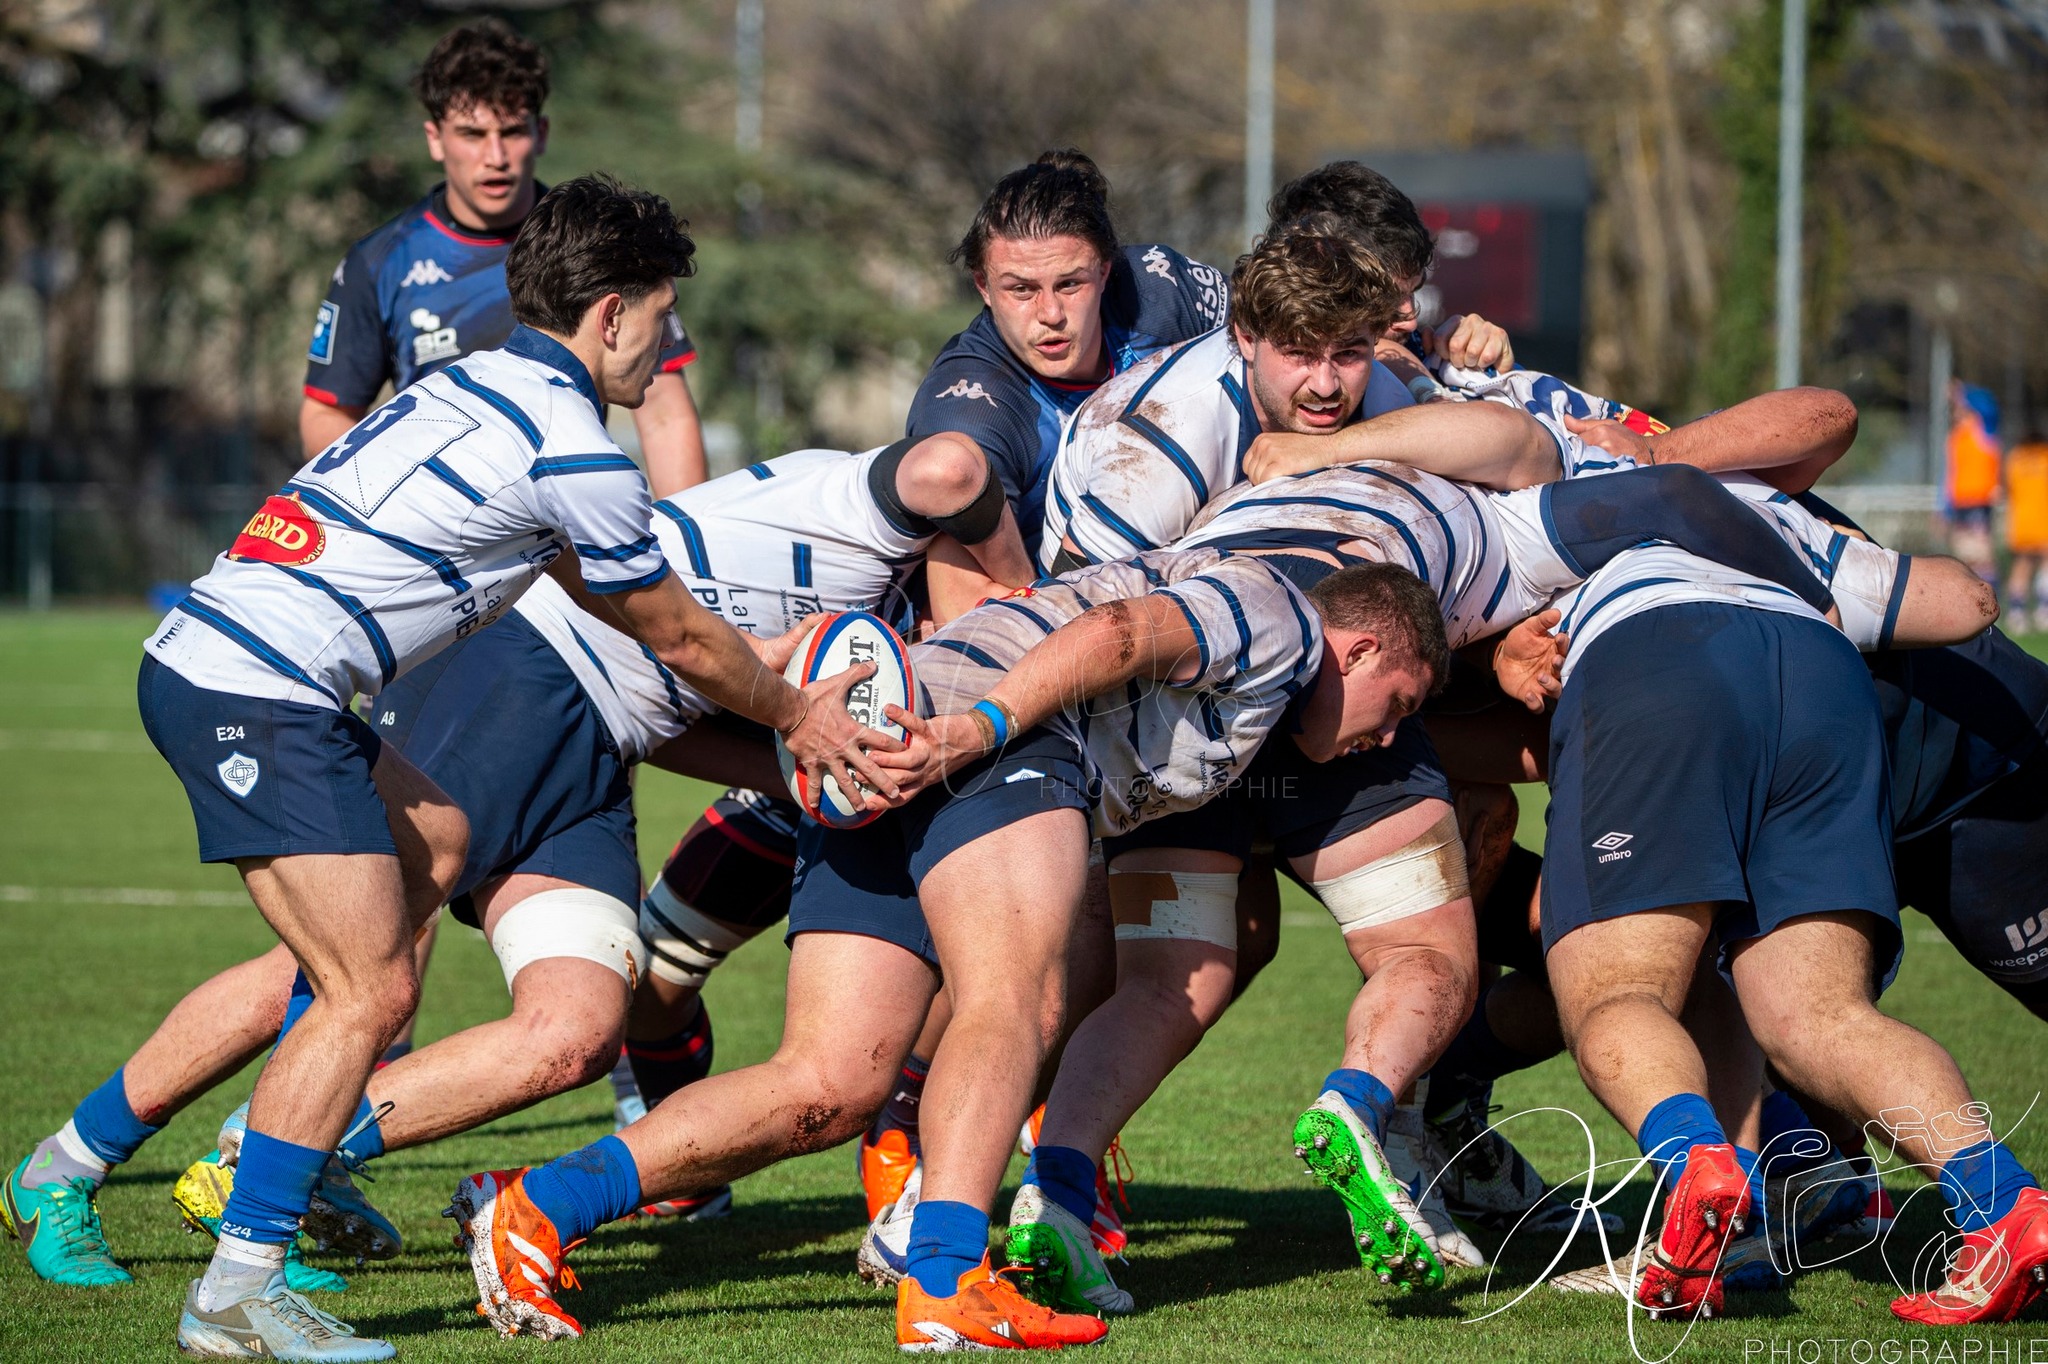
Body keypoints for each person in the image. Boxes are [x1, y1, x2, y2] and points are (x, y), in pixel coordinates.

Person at [2, 175, 905, 1362]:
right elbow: (674, 634)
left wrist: (746, 662)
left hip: (241, 662)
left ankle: (188, 1173)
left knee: (424, 856)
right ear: (615, 314)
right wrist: (795, 710)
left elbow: (617, 598)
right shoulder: (575, 445)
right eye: (661, 315)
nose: (662, 347)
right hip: (262, 685)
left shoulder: (477, 385)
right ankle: (228, 1273)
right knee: (364, 987)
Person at [446, 548, 1451, 1350]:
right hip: (988, 741)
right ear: (1357, 649)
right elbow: (1120, 629)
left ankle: (538, 1205)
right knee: (1011, 1000)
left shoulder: (1263, 688)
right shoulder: (1274, 611)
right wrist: (982, 726)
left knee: (826, 1082)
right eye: (1395, 705)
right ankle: (944, 1282)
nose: (1380, 737)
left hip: (884, 745)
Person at [1519, 477, 2044, 1324]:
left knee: (1621, 991)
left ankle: (1700, 1177)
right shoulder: (1767, 501)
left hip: (1656, 654)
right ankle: (2004, 1207)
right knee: (1817, 1019)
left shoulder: (1546, 482)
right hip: (1822, 675)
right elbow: (1965, 596)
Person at [301, 20, 708, 497]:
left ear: (541, 133)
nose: (495, 156)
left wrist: (683, 539)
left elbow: (663, 413)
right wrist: (403, 509)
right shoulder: (379, 262)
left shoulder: (602, 243)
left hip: (568, 524)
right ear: (435, 138)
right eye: (472, 133)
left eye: (512, 131)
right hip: (445, 541)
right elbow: (328, 412)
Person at [1944, 379, 2002, 584]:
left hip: (1979, 499)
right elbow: (1950, 475)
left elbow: (1988, 405)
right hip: (1960, 502)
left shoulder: (1984, 429)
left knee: (1982, 553)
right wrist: (1944, 509)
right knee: (1964, 555)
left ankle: (1991, 595)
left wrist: (1962, 391)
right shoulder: (1955, 436)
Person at [2003, 416, 2048, 630]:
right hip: (2043, 520)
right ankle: (2043, 610)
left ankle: (2016, 612)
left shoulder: (2015, 458)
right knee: (2045, 565)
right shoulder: (2045, 458)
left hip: (2020, 522)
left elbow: (2008, 488)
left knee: (2021, 568)